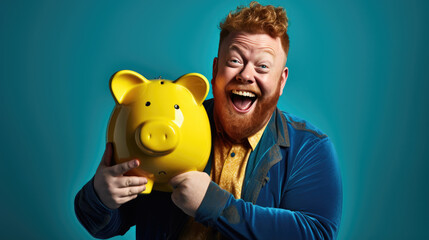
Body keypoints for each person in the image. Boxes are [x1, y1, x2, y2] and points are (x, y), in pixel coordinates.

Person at [74, 2, 342, 239]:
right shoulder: (167, 123)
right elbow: (104, 226)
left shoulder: (309, 148)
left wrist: (215, 205)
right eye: (235, 60)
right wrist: (101, 196)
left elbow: (315, 233)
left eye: (262, 66)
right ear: (215, 70)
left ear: (281, 81)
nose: (245, 75)